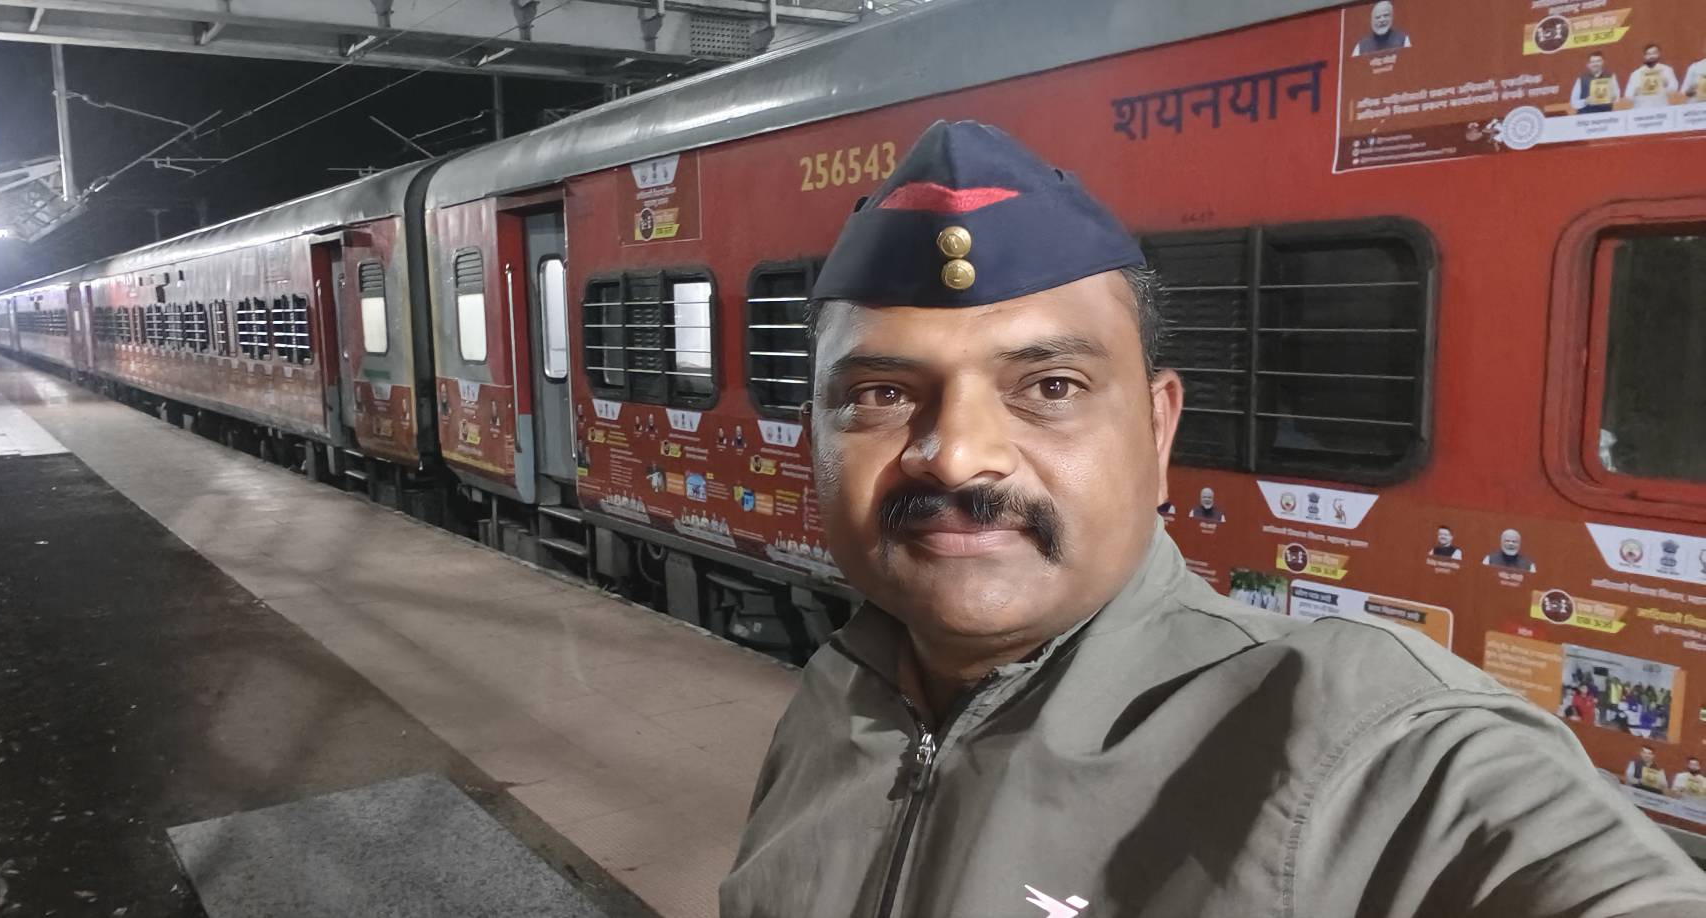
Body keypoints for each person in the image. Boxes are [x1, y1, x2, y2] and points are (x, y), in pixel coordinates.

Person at [720, 119, 1706, 917]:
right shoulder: (836, 698)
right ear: (817, 436)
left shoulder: (1362, 745)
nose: (957, 453)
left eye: (1051, 386)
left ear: (1157, 431)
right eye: (881, 395)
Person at [1626, 44, 1679, 109]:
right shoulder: (1636, 74)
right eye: (1648, 54)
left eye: (1654, 53)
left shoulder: (1666, 70)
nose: (1651, 56)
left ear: (1658, 54)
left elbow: (1674, 88)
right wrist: (1637, 90)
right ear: (1644, 56)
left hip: (1661, 107)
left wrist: (1666, 83)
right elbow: (1628, 95)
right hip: (1642, 108)